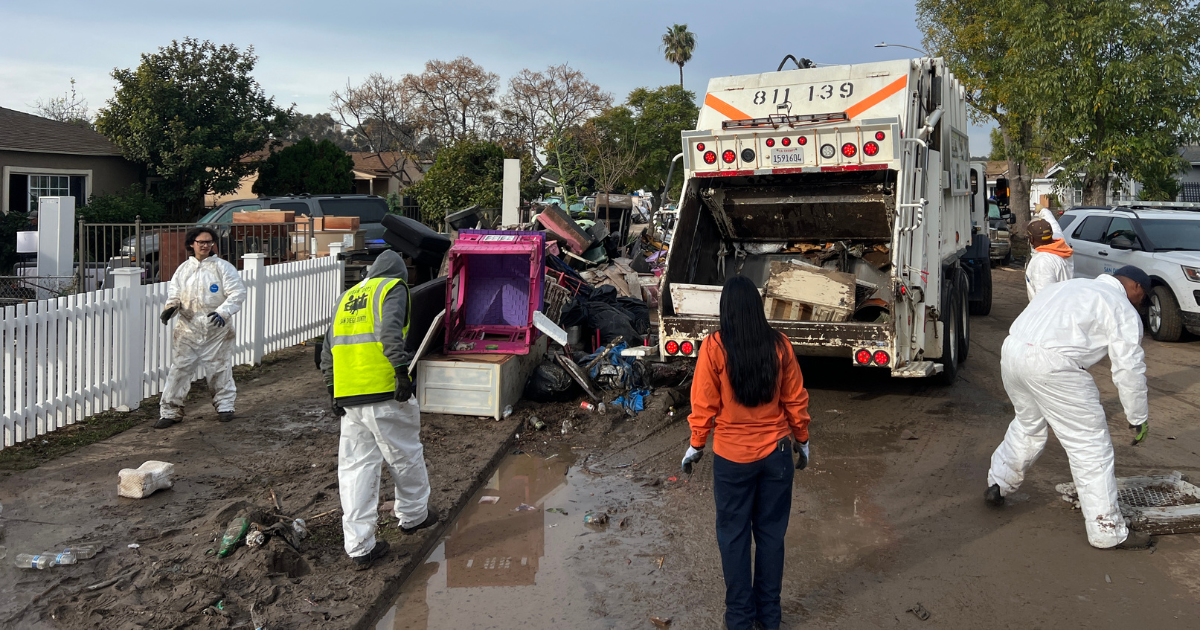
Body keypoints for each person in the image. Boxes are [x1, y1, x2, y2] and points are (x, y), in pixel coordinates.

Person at [985, 265, 1153, 549]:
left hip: (1013, 352)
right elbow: (1129, 368)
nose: (1141, 303)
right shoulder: (1120, 306)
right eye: (1143, 297)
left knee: (1028, 424)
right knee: (1089, 447)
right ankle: (1107, 531)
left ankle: (998, 484)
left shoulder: (1067, 287)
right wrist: (1138, 416)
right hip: (1055, 366)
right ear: (1136, 287)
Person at [683, 275, 811, 630]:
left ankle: (739, 619)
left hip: (732, 461)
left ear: (726, 310)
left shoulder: (714, 348)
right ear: (758, 308)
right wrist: (802, 439)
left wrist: (696, 445)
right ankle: (770, 618)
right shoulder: (780, 345)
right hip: (777, 456)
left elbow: (703, 403)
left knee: (734, 537)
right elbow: (795, 399)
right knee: (771, 536)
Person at [320, 250, 437, 570]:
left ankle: (359, 546)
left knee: (356, 469)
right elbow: (389, 334)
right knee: (404, 454)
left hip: (349, 399)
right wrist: (401, 371)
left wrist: (333, 389)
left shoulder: (346, 297)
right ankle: (413, 516)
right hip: (385, 392)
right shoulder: (392, 288)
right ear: (398, 273)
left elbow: (327, 349)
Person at [156, 227, 246, 428]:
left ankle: (225, 407)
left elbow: (237, 293)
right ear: (191, 244)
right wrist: (171, 307)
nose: (205, 246)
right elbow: (175, 293)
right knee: (180, 369)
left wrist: (223, 312)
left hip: (216, 328)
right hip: (187, 329)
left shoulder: (222, 268)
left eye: (209, 242)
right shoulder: (183, 270)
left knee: (219, 367)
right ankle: (170, 411)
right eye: (201, 242)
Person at [1024, 218, 1073, 300]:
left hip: (1047, 311)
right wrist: (1043, 211)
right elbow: (1056, 226)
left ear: (1031, 239)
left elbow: (1044, 298)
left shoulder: (1043, 262)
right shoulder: (1061, 249)